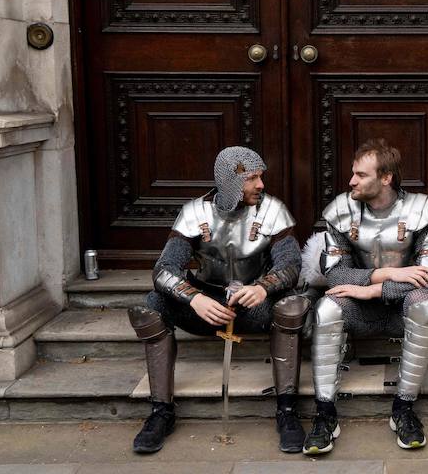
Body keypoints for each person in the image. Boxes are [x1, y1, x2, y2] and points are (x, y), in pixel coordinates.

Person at [127, 146, 310, 453]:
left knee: (291, 305)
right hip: (206, 307)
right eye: (252, 178)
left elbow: (291, 266)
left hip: (254, 303)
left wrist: (263, 287)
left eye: (260, 177)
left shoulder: (273, 210)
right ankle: (161, 412)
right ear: (230, 181)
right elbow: (163, 270)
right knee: (152, 307)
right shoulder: (194, 213)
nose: (261, 185)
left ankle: (288, 411)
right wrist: (194, 298)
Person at [303, 138, 428, 454]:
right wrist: (387, 274)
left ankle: (404, 408)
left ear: (386, 178)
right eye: (353, 173)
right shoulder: (342, 210)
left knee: (426, 306)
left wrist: (376, 289)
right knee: (327, 308)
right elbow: (335, 275)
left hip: (404, 309)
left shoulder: (421, 210)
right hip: (359, 308)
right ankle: (325, 414)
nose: (351, 181)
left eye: (361, 175)